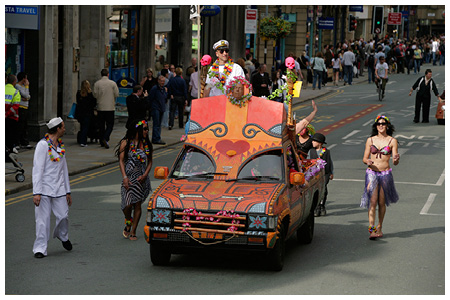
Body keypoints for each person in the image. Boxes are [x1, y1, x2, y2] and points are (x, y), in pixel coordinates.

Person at [32, 117, 73, 258]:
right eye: (63, 127)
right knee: (42, 220)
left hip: (59, 188)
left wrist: (68, 191)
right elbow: (37, 169)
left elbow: (64, 170)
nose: (65, 129)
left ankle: (63, 236)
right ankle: (40, 248)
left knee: (63, 216)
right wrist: (36, 192)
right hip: (43, 189)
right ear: (57, 129)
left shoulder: (60, 146)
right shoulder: (42, 145)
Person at [361, 115, 400, 240]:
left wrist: (396, 159)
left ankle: (380, 226)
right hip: (372, 174)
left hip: (385, 174)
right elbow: (364, 158)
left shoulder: (392, 141)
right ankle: (371, 229)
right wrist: (367, 162)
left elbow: (395, 161)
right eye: (378, 124)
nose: (381, 126)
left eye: (383, 123)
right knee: (372, 202)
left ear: (387, 125)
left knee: (381, 202)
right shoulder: (370, 140)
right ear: (376, 126)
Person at [116, 119, 153, 241]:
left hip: (141, 179)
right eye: (145, 129)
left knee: (137, 204)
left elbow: (150, 161)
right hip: (129, 178)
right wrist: (124, 177)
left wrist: (145, 175)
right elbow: (121, 161)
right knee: (127, 205)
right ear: (138, 129)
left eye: (147, 129)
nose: (147, 131)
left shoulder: (146, 144)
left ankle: (133, 231)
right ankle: (128, 220)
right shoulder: (126, 143)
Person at [308, 133, 333, 217]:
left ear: (320, 143)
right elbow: (308, 161)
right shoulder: (311, 151)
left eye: (314, 141)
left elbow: (330, 162)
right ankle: (316, 207)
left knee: (324, 190)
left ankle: (322, 206)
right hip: (314, 174)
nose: (312, 142)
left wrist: (331, 172)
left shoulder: (326, 151)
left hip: (324, 174)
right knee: (316, 190)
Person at [93, 68, 119, 149]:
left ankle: (101, 141)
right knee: (110, 124)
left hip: (100, 107)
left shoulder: (97, 84)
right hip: (110, 107)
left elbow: (95, 95)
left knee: (101, 125)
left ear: (101, 74)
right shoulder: (112, 83)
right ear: (108, 74)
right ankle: (105, 137)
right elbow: (117, 94)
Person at [76, 80, 97, 147]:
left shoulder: (78, 93)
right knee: (86, 127)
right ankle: (83, 141)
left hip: (80, 113)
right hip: (87, 113)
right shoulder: (89, 94)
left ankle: (81, 139)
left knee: (82, 127)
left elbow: (78, 103)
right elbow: (93, 103)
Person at [149, 75, 168, 144]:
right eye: (161, 81)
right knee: (156, 124)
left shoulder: (163, 89)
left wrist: (166, 92)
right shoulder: (155, 88)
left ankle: (157, 137)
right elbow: (150, 98)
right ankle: (155, 138)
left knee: (159, 124)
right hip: (156, 108)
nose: (163, 82)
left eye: (164, 81)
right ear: (158, 81)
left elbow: (165, 98)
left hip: (161, 108)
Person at [15, 72, 32, 148]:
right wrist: (27, 86)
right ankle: (18, 142)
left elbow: (28, 96)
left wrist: (27, 97)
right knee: (20, 126)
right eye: (26, 78)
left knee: (25, 126)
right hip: (21, 107)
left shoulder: (23, 86)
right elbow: (25, 95)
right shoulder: (18, 86)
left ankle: (24, 142)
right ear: (23, 78)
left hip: (25, 107)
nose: (27, 80)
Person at [5, 74, 21, 151]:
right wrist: (7, 114)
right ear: (14, 82)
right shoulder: (15, 92)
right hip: (11, 118)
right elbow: (15, 107)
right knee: (10, 137)